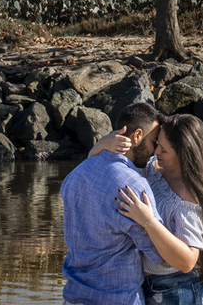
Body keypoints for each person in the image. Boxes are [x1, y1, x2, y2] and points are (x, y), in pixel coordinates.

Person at [95, 113, 203, 305]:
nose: (156, 151)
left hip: (180, 290)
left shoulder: (187, 198)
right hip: (150, 286)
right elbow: (99, 172)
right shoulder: (153, 169)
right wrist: (101, 146)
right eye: (157, 143)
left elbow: (187, 261)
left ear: (184, 155)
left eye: (164, 150)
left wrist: (149, 221)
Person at [61, 102, 166, 305]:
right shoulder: (134, 185)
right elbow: (159, 254)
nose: (154, 151)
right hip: (116, 298)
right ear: (137, 136)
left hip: (74, 297)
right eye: (154, 141)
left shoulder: (76, 174)